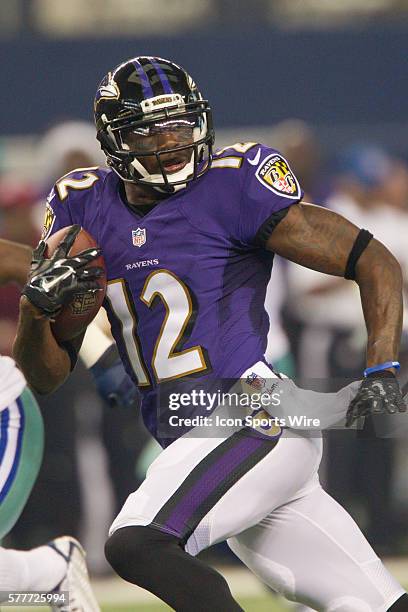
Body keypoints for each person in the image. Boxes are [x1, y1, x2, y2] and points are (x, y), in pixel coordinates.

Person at [13, 56, 408, 611]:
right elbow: (44, 377)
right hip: (205, 434)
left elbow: (373, 260)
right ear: (115, 139)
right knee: (371, 604)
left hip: (250, 411)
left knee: (138, 541)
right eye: (148, 129)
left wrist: (383, 368)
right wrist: (36, 310)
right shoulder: (81, 206)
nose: (170, 140)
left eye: (178, 123)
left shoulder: (232, 186)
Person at [0, 238, 100, 611]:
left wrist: (93, 343)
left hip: (3, 414)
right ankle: (47, 579)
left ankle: (48, 573)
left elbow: (24, 265)